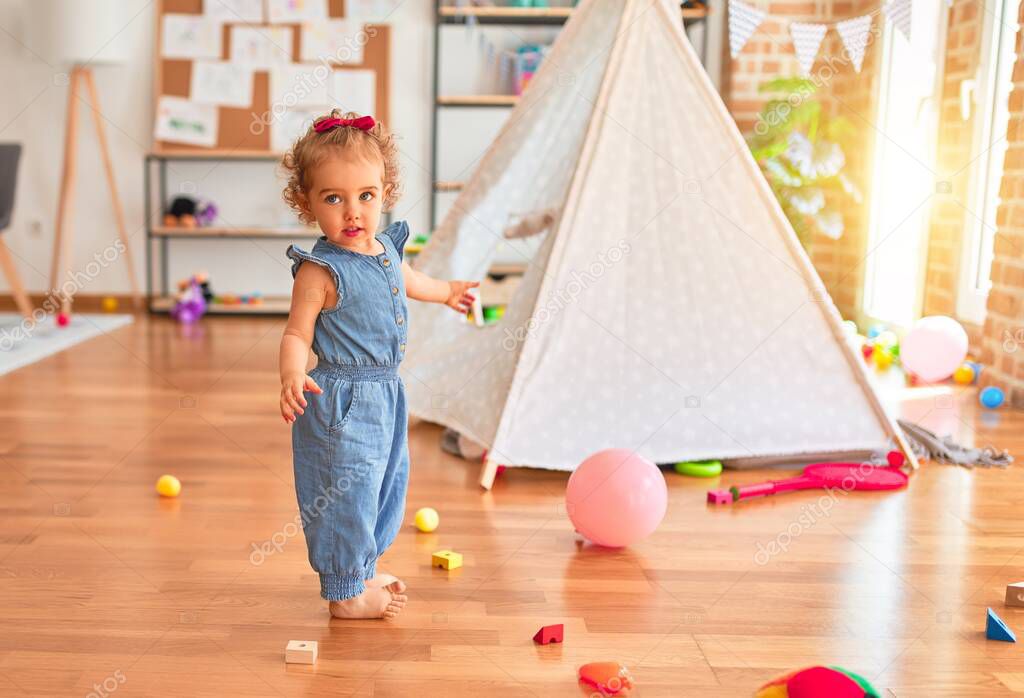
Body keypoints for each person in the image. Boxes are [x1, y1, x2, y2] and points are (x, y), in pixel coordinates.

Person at [278, 111, 478, 619]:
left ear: (385, 191)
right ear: (306, 203)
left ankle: (361, 569)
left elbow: (414, 282)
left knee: (384, 483)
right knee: (344, 488)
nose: (353, 212)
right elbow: (298, 332)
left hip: (386, 392)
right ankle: (344, 592)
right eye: (333, 198)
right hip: (339, 399)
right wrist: (292, 373)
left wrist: (449, 292)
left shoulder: (385, 248)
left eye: (365, 196)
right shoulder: (320, 272)